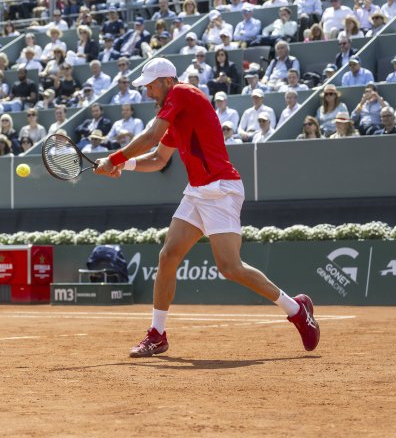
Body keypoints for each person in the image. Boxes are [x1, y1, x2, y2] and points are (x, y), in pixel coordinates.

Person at [94, 58, 319, 357]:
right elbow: (159, 159)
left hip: (221, 189)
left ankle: (296, 309)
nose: (148, 92)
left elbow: (150, 137)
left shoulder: (183, 93)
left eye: (150, 85)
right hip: (197, 191)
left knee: (230, 267)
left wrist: (114, 159)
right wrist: (127, 166)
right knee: (168, 255)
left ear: (166, 81)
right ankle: (157, 334)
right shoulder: (176, 114)